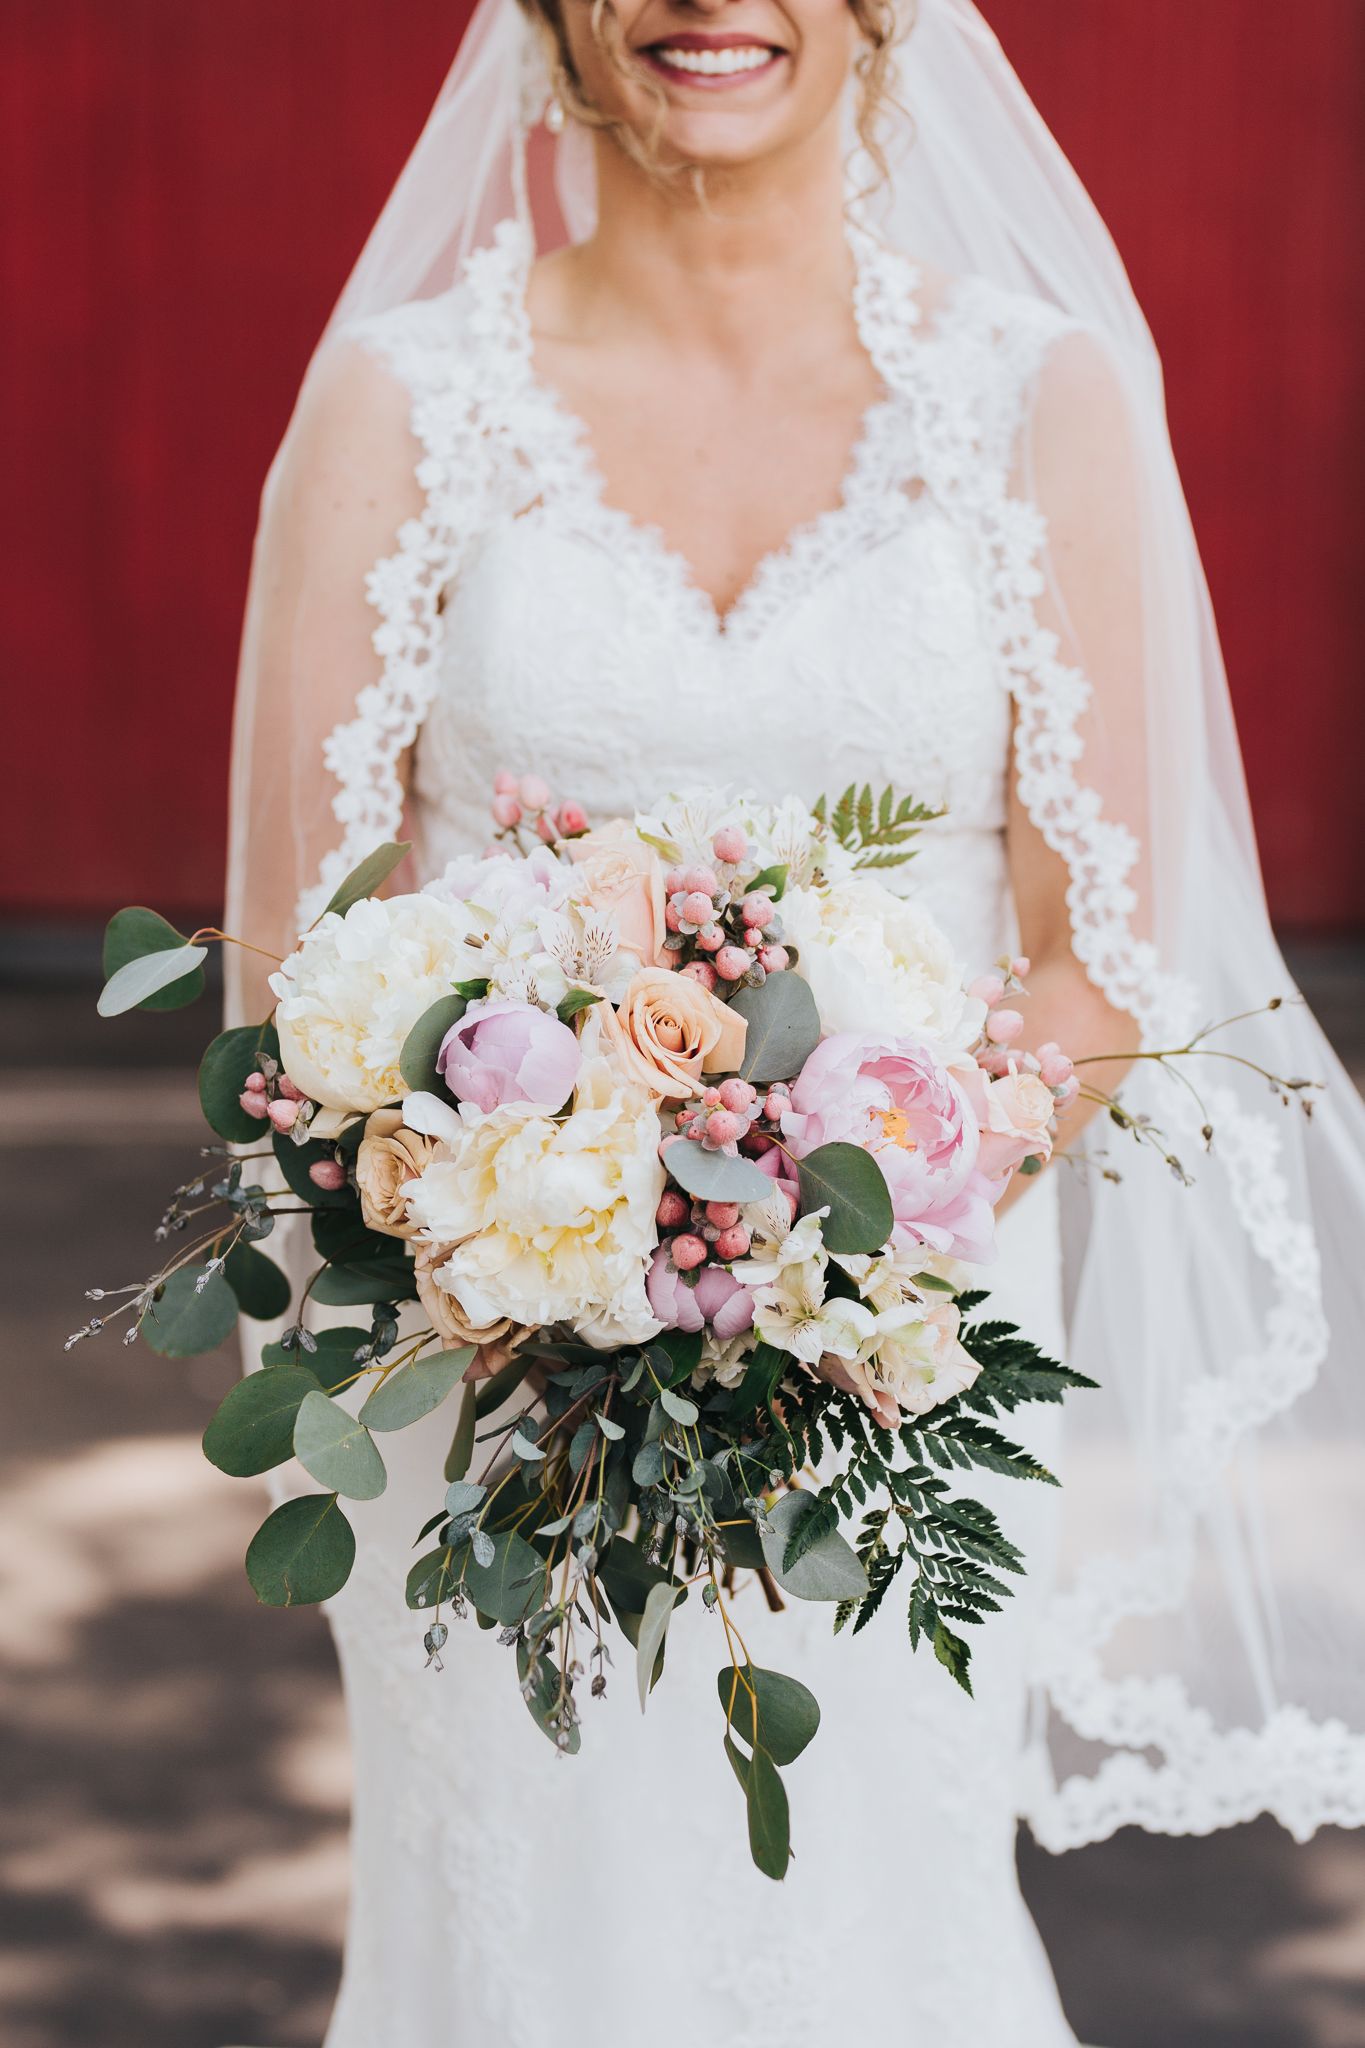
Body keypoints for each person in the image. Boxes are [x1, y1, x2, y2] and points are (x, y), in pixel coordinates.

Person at [224, 3, 1365, 2042]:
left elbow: (1095, 948)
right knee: (533, 1909)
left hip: (902, 1337)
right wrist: (537, 1231)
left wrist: (809, 1245)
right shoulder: (404, 406)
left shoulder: (1034, 402)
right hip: (490, 1356)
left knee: (868, 1896)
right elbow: (287, 965)